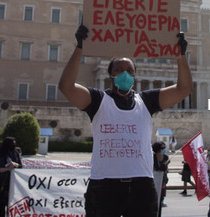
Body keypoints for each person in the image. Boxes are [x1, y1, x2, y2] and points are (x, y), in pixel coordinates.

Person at [58, 26, 192, 217]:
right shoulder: (98, 101)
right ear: (110, 74)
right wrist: (80, 48)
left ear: (135, 75)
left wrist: (181, 56)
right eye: (119, 69)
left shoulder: (146, 101)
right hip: (104, 186)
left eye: (129, 70)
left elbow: (183, 89)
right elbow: (66, 87)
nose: (124, 74)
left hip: (141, 187)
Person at [0, 137, 22, 217]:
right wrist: (8, 168)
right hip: (2, 182)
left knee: (12, 205)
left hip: (13, 182)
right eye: (12, 143)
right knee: (2, 205)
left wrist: (16, 165)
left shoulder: (15, 153)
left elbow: (21, 166)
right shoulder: (1, 155)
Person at [152, 141, 170, 215]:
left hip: (162, 181)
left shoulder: (165, 157)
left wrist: (164, 165)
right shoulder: (152, 157)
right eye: (162, 148)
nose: (163, 150)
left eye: (164, 148)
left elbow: (166, 170)